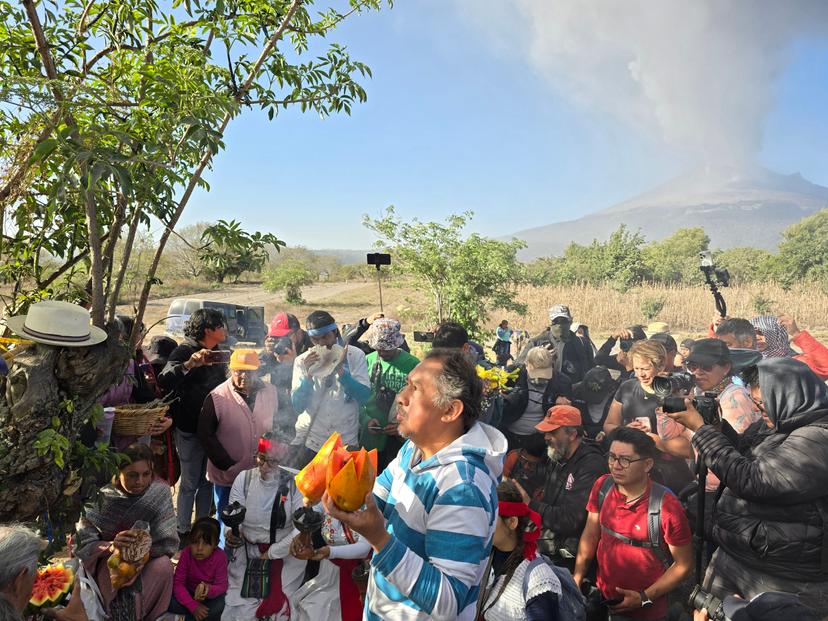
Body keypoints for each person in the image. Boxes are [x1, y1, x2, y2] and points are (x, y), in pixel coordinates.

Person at [322, 349, 507, 620]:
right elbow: (372, 501)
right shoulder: (413, 450)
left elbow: (448, 601)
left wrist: (380, 540)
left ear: (450, 410)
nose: (400, 397)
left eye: (415, 389)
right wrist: (327, 491)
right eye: (407, 384)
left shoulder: (463, 488)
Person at [666, 358, 828, 615]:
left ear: (791, 397)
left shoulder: (818, 438)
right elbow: (745, 454)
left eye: (764, 403)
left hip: (782, 574)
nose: (761, 410)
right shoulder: (780, 424)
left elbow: (756, 480)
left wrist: (701, 431)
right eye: (756, 403)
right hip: (742, 552)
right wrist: (718, 429)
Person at [573, 428, 693, 621]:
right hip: (604, 598)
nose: (616, 466)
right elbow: (591, 534)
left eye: (625, 460)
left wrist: (643, 598)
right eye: (612, 457)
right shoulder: (602, 486)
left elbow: (684, 565)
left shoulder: (667, 507)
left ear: (647, 464)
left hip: (647, 611)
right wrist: (577, 577)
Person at [74, 443, 178, 621]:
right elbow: (84, 542)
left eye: (146, 474)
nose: (140, 482)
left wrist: (139, 555)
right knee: (124, 594)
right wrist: (112, 547)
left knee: (164, 566)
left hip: (149, 560)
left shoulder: (159, 493)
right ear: (118, 472)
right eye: (132, 475)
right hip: (109, 563)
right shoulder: (103, 498)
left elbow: (167, 542)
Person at [158, 308, 228, 541]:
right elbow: (165, 379)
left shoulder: (220, 352)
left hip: (213, 429)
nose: (225, 329)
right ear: (208, 330)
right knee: (189, 482)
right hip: (189, 428)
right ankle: (182, 532)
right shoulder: (185, 350)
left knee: (207, 480)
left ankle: (202, 529)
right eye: (222, 325)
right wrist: (189, 365)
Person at [511, 405, 606, 573]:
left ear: (572, 434)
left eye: (553, 432)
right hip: (548, 541)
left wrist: (530, 504)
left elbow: (570, 519)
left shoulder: (590, 466)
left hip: (567, 559)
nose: (546, 437)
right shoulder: (558, 453)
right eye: (546, 432)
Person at [198, 349, 278, 546]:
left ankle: (249, 554)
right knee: (226, 517)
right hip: (228, 475)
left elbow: (279, 425)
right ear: (230, 370)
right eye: (239, 371)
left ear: (258, 371)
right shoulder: (217, 397)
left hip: (261, 471)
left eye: (249, 371)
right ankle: (223, 555)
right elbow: (205, 434)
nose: (244, 376)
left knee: (255, 516)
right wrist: (226, 463)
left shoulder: (271, 391)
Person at [222, 433, 306, 621]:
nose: (265, 467)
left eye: (272, 462)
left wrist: (272, 552)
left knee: (283, 611)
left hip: (285, 554)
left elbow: (300, 528)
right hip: (248, 551)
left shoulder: (295, 483)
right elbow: (232, 516)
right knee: (240, 608)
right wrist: (231, 533)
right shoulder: (243, 479)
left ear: (282, 461)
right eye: (261, 459)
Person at [603, 340, 694, 493]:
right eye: (637, 368)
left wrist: (657, 441)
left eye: (646, 368)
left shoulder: (673, 393)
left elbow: (690, 448)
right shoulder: (627, 387)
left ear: (661, 366)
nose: (640, 374)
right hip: (633, 469)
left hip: (668, 472)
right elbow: (609, 425)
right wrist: (625, 431)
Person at [290, 310, 371, 467]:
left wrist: (342, 373)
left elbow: (364, 396)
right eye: (315, 339)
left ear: (335, 332)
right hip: (313, 441)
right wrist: (308, 377)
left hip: (345, 440)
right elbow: (297, 406)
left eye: (325, 337)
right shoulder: (302, 361)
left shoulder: (355, 356)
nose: (321, 344)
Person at [478, 480, 562, 620]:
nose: (481, 525)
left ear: (512, 522)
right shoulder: (482, 559)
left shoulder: (539, 580)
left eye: (490, 518)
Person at [287, 511, 371, 621]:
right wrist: (303, 533)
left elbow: (365, 547)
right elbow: (311, 513)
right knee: (313, 609)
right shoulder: (329, 496)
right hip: (329, 570)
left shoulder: (369, 501)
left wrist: (330, 552)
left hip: (358, 574)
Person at [359, 318, 419, 471]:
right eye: (379, 348)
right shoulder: (367, 361)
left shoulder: (413, 365)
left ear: (397, 343)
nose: (382, 352)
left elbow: (420, 404)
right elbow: (356, 399)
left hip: (400, 443)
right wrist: (366, 420)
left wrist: (403, 425)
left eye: (387, 348)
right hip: (371, 439)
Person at [501, 346, 573, 451]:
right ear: (526, 365)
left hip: (539, 438)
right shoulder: (512, 375)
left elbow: (567, 416)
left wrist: (560, 406)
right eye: (536, 374)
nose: (539, 380)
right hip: (509, 434)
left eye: (544, 375)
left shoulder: (562, 382)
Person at [169, 517, 228, 621]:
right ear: (190, 540)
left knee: (221, 604)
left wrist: (209, 590)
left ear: (216, 544)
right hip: (187, 595)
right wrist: (193, 606)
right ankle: (193, 616)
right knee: (168, 601)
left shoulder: (221, 557)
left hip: (208, 599)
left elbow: (222, 586)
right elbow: (178, 584)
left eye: (206, 543)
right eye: (195, 542)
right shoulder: (186, 554)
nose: (199, 548)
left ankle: (185, 618)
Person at [516, 305, 594, 382]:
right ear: (550, 322)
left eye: (564, 321)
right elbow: (518, 368)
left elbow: (591, 370)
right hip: (546, 392)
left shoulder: (582, 343)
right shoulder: (537, 342)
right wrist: (538, 359)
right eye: (556, 322)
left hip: (574, 391)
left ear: (571, 321)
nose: (560, 325)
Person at [750, 314, 828, 380]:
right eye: (752, 333)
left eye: (761, 332)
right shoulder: (748, 361)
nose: (756, 337)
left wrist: (796, 333)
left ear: (777, 334)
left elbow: (825, 367)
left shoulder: (795, 363)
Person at [572, 366, 618, 439]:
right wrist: (576, 427)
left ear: (609, 391)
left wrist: (605, 432)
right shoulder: (575, 391)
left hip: (606, 434)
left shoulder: (618, 395)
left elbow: (619, 422)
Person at [502, 433, 548, 501]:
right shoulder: (514, 456)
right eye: (523, 459)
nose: (526, 466)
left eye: (532, 464)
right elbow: (501, 479)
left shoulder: (547, 469)